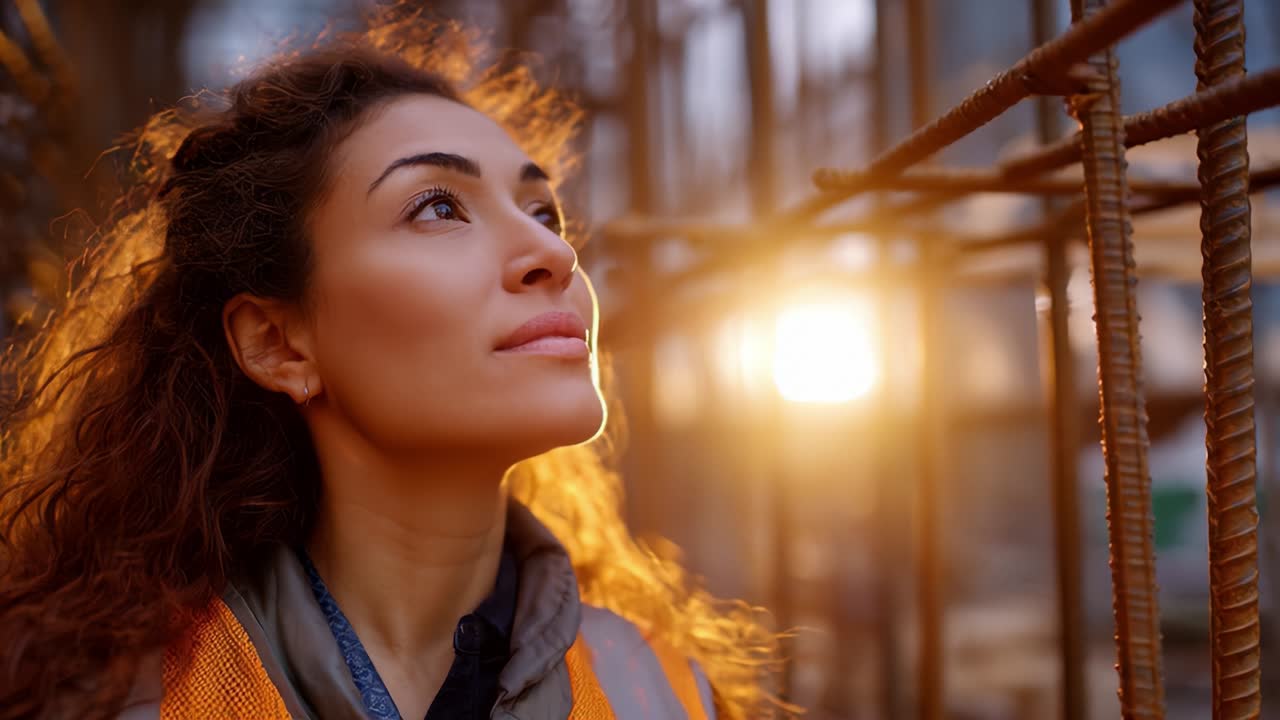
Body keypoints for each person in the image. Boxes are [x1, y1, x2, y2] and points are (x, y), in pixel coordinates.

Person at [0, 13, 782, 720]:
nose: (553, 251)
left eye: (543, 211)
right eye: (438, 207)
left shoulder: (665, 689)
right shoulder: (107, 698)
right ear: (279, 344)